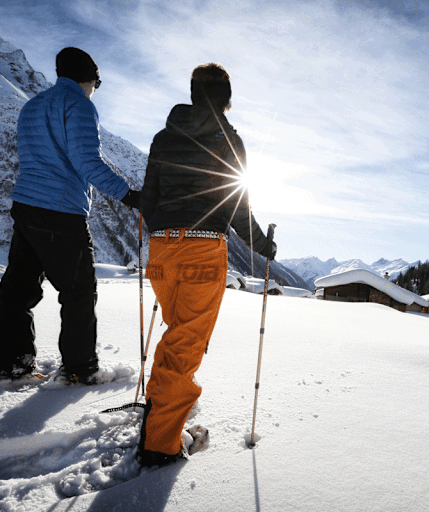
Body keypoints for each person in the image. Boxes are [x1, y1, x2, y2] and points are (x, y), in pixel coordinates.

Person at [136, 63, 276, 466]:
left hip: (162, 251)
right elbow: (236, 208)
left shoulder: (164, 137)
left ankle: (158, 412)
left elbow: (149, 200)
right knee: (185, 345)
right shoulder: (229, 140)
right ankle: (161, 443)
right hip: (202, 251)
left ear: (194, 93)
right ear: (227, 99)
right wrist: (264, 244)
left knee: (177, 335)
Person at [0, 47, 141, 384]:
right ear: (89, 78)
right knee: (79, 291)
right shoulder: (79, 105)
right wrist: (129, 195)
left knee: (17, 289)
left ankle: (11, 361)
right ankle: (81, 368)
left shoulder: (32, 106)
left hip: (26, 207)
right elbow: (87, 162)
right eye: (97, 83)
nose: (95, 90)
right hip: (60, 212)